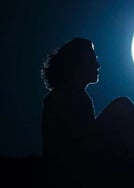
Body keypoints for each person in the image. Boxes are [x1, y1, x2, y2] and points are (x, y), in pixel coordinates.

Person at [41, 37, 100, 185]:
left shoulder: (80, 97)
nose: (97, 66)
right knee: (122, 105)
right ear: (77, 66)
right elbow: (78, 141)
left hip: (82, 157)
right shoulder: (60, 97)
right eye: (92, 61)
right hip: (72, 165)